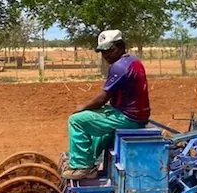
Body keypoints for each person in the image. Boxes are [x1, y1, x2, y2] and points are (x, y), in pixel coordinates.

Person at [63, 30, 151, 180]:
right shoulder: (133, 62)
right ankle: (88, 162)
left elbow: (103, 98)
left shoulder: (119, 67)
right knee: (99, 127)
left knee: (77, 120)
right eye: (102, 52)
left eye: (109, 50)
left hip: (127, 117)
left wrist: (82, 107)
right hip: (137, 115)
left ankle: (83, 167)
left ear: (120, 46)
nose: (106, 55)